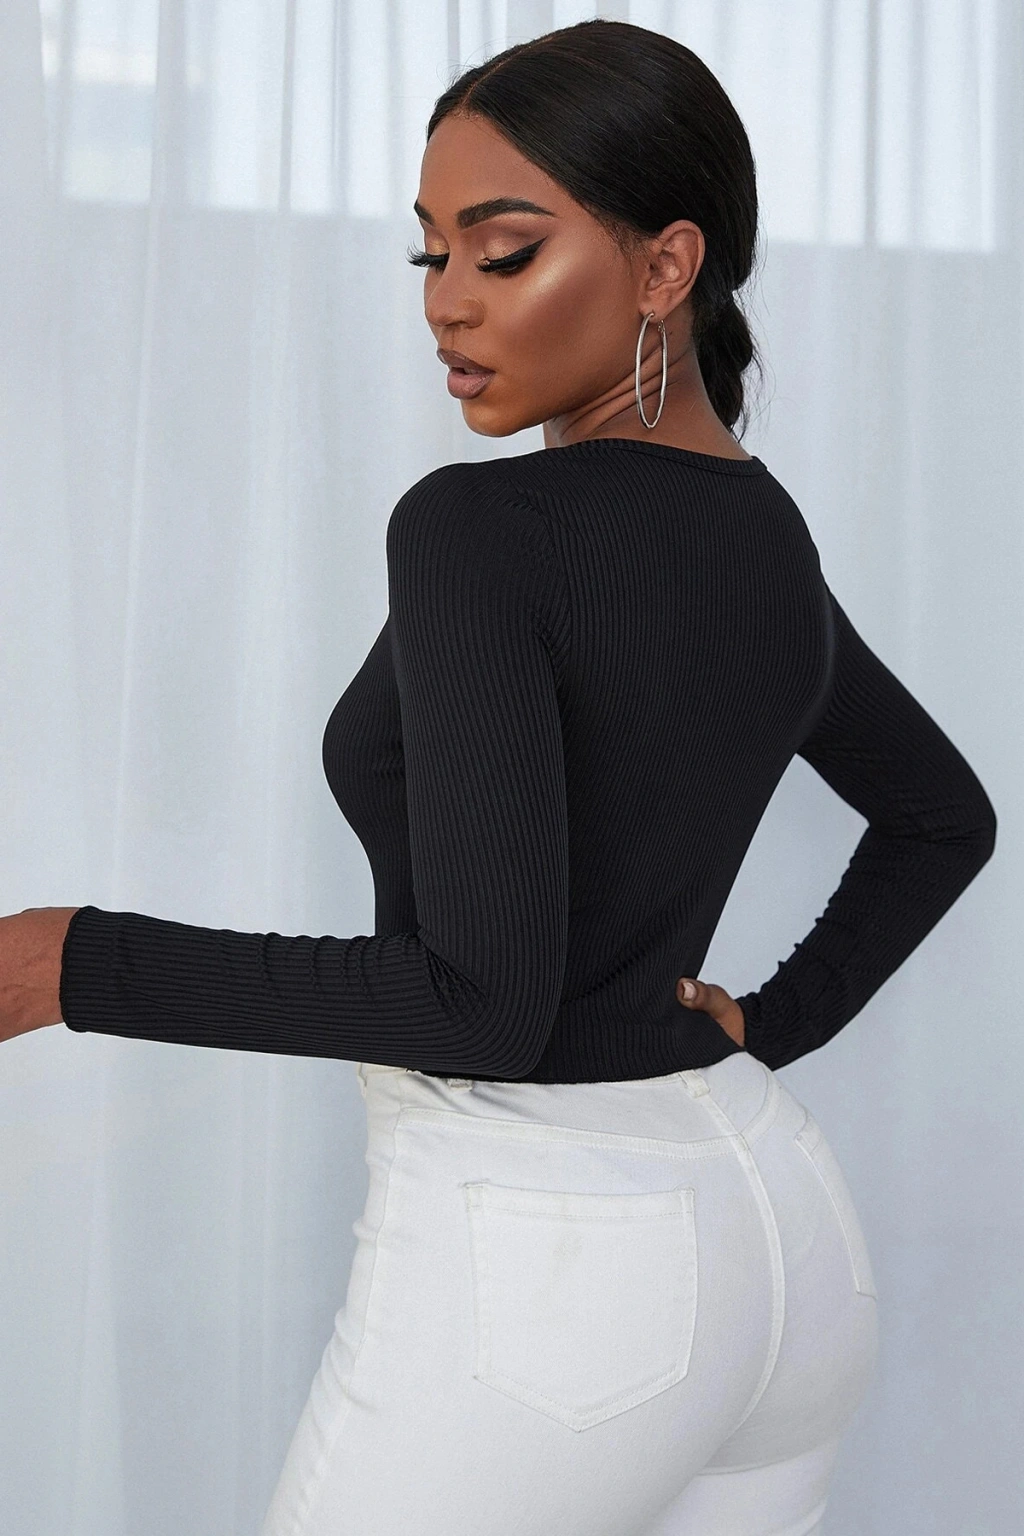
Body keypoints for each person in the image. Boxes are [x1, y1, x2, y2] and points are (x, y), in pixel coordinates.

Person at [0, 19, 997, 1536]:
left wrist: (65, 962)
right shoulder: (762, 535)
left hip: (557, 1272)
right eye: (432, 254)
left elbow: (481, 1004)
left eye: (504, 250)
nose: (448, 302)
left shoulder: (477, 530)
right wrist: (777, 1024)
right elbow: (943, 816)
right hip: (778, 1234)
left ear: (666, 267)